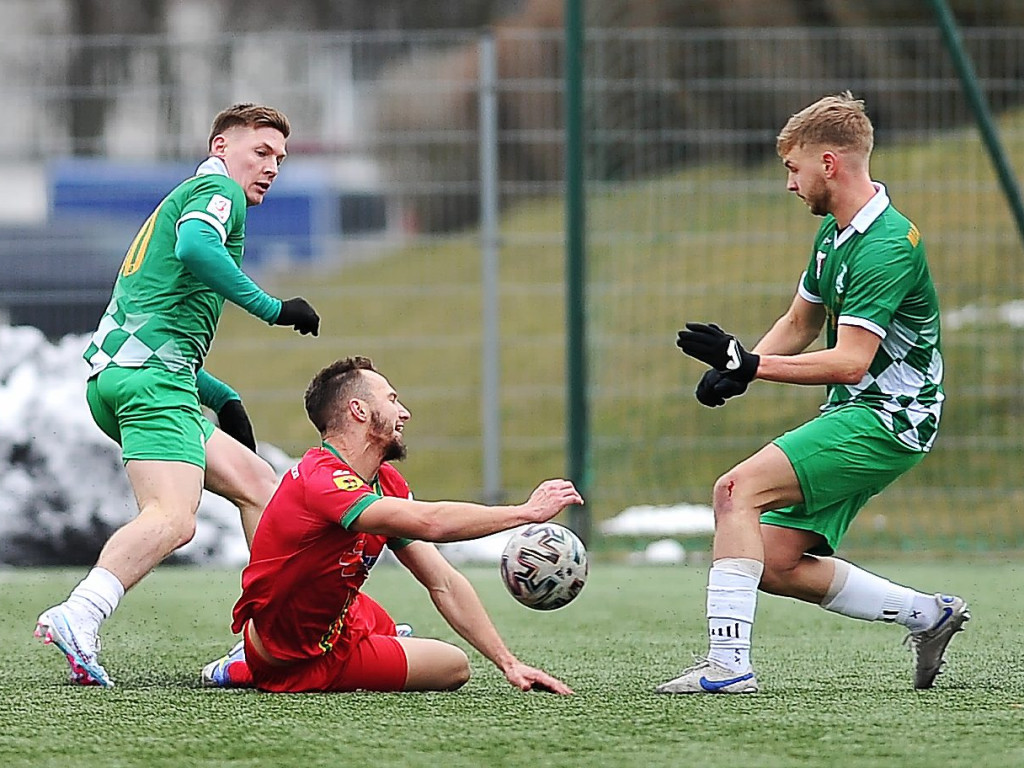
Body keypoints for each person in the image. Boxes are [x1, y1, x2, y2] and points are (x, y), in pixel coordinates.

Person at [657, 92, 969, 695]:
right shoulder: (836, 233)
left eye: (793, 168)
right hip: (863, 412)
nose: (790, 183)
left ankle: (727, 668)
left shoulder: (884, 245)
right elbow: (801, 323)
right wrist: (741, 367)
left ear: (829, 163)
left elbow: (851, 362)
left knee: (734, 490)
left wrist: (750, 363)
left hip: (891, 418)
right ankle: (928, 616)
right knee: (774, 560)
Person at [35, 103, 322, 688]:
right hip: (151, 384)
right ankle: (79, 613)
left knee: (260, 485)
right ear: (221, 148)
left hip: (134, 376)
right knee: (173, 518)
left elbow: (153, 315)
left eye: (280, 159)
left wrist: (221, 394)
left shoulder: (190, 194)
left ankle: (275, 640)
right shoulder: (218, 193)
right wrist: (273, 308)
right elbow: (196, 250)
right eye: (260, 152)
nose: (271, 167)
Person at [200, 355, 581, 695]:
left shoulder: (387, 483)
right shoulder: (321, 479)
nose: (405, 413)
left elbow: (442, 581)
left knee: (381, 622)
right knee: (454, 667)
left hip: (339, 617)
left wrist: (508, 663)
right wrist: (524, 513)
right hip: (291, 657)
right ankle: (243, 666)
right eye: (393, 400)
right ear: (359, 410)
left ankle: (380, 638)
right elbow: (430, 522)